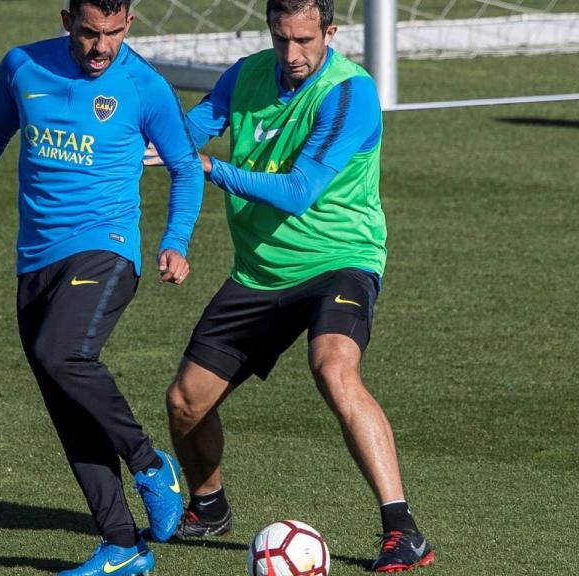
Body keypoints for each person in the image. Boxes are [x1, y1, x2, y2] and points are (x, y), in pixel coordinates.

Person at [0, 0, 201, 573]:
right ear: (67, 21)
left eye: (113, 33)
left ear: (130, 24)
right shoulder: (22, 67)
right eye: (89, 33)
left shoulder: (146, 87)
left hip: (106, 249)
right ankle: (121, 546)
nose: (101, 47)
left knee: (61, 353)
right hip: (34, 261)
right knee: (66, 402)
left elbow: (184, 166)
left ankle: (150, 463)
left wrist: (176, 240)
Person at [151, 0, 435, 571]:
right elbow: (184, 135)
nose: (292, 54)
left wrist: (211, 170)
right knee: (184, 403)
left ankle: (402, 529)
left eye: (305, 40)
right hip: (259, 270)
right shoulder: (245, 75)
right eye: (281, 39)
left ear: (329, 31)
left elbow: (299, 190)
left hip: (339, 259)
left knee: (333, 367)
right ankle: (208, 507)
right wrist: (132, 140)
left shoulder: (350, 93)